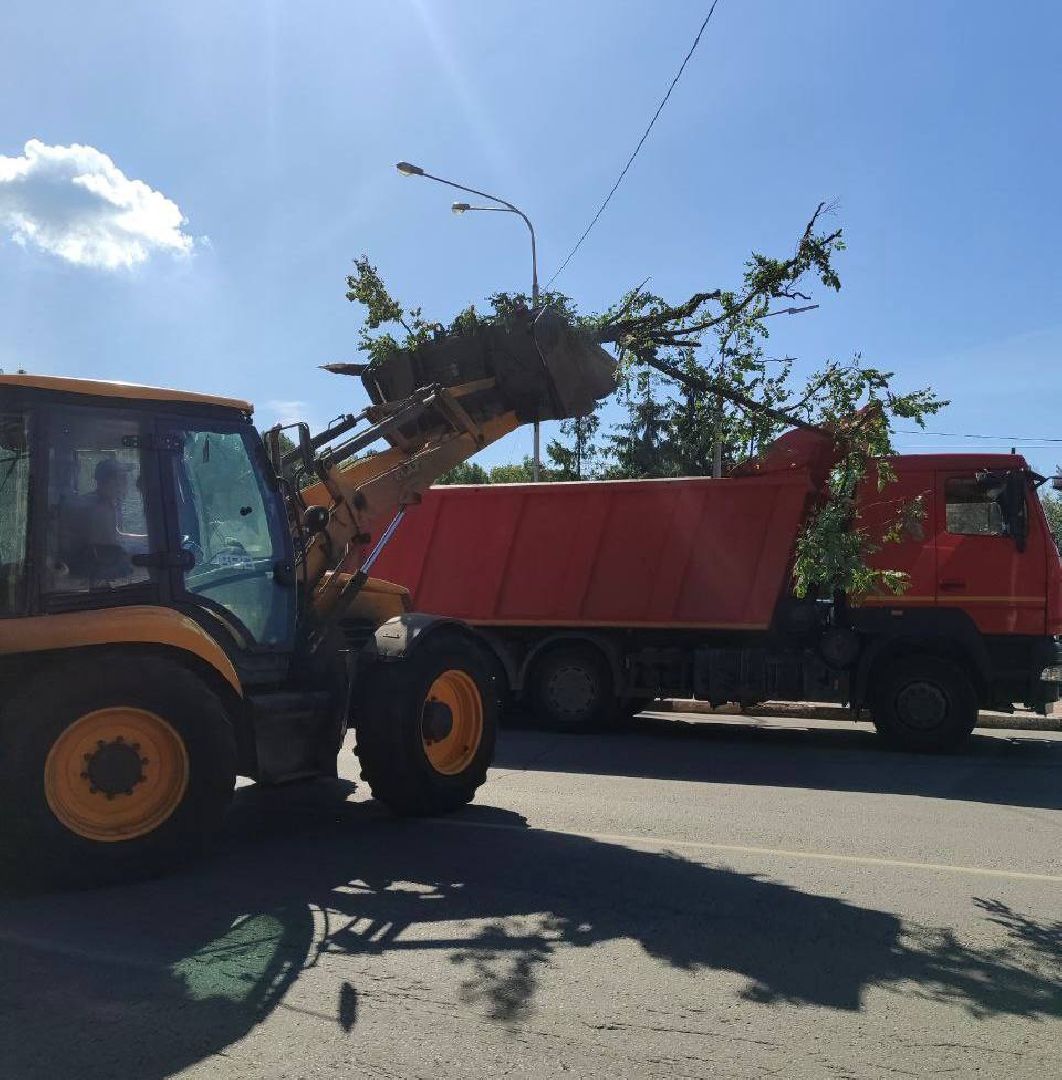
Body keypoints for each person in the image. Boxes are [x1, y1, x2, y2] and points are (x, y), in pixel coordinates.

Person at [62, 457, 145, 582]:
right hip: (96, 567)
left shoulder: (109, 503)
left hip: (101, 561)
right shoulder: (97, 507)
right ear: (109, 481)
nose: (126, 483)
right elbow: (110, 542)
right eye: (121, 478)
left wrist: (146, 539)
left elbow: (116, 535)